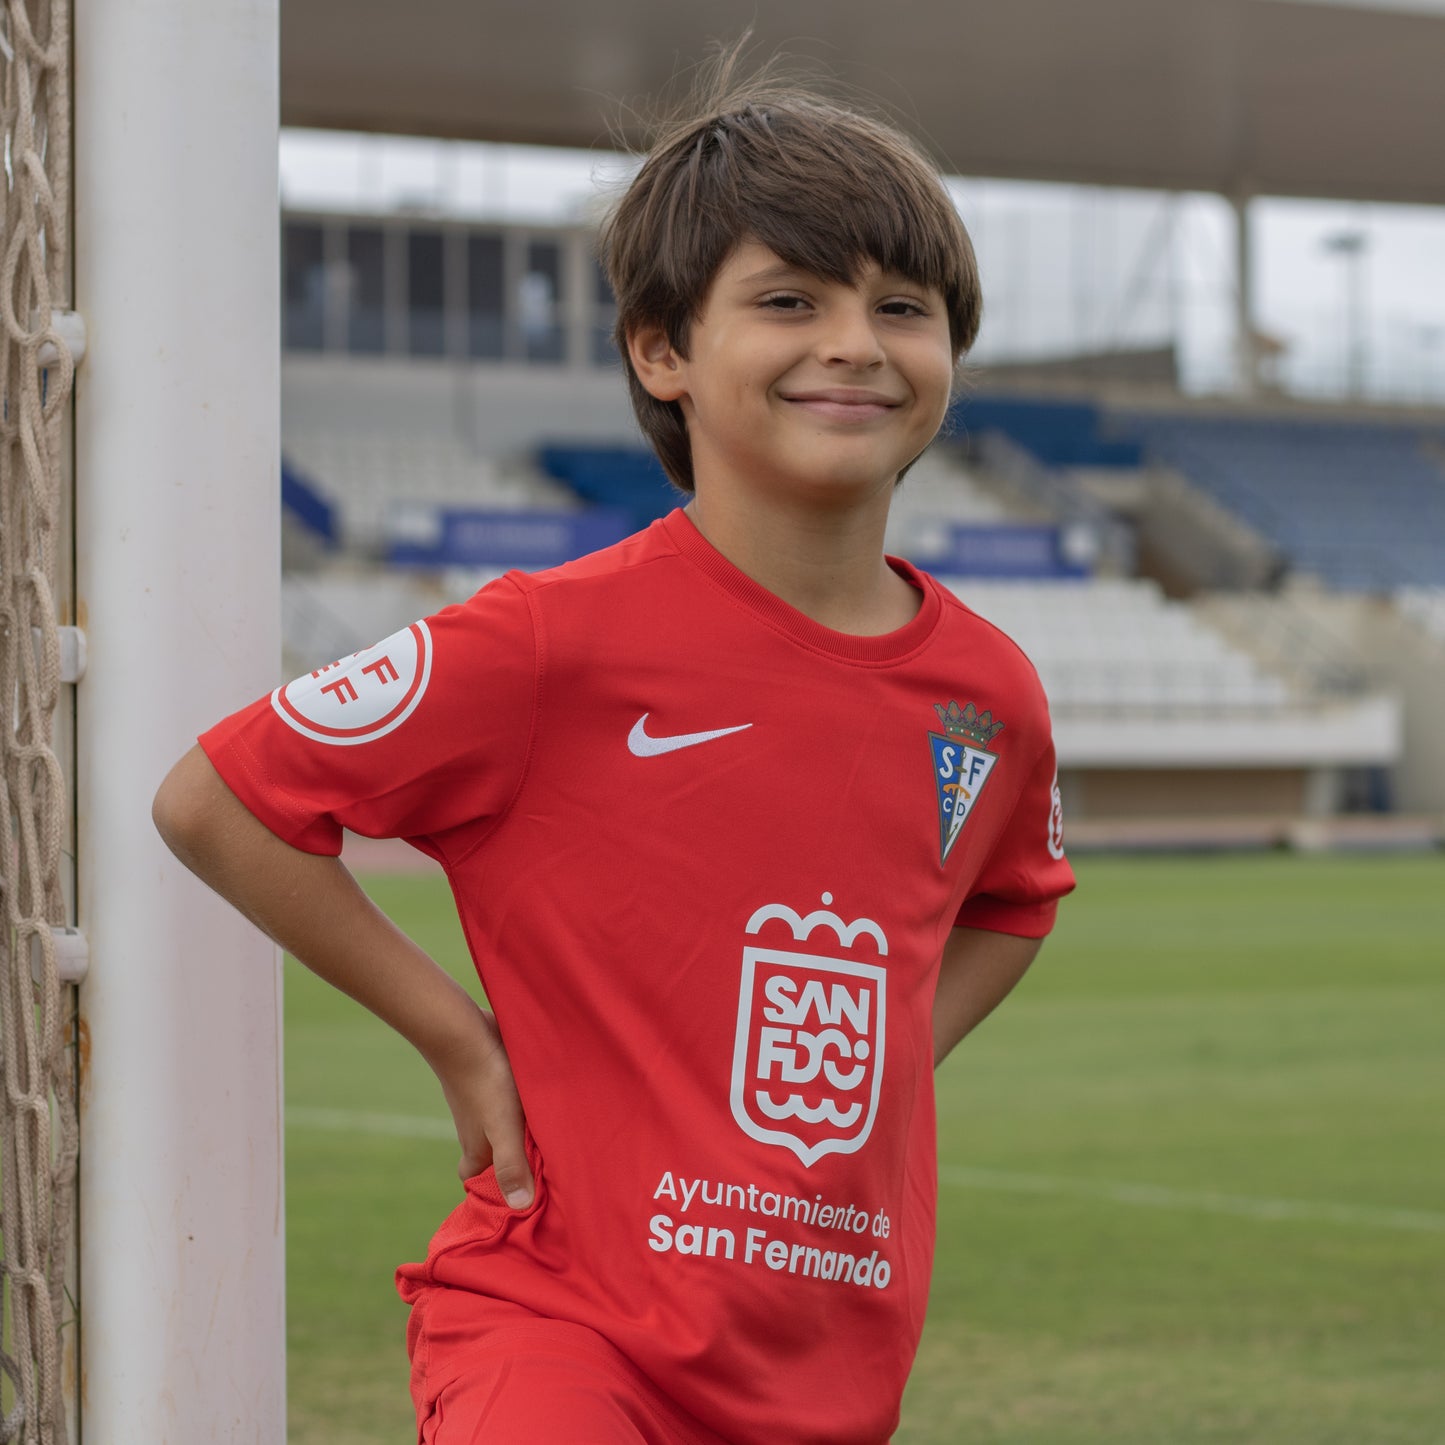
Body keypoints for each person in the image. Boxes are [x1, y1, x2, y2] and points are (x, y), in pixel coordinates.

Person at [153, 56, 1075, 1445]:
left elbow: (1011, 899)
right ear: (661, 351)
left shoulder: (986, 693)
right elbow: (220, 797)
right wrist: (458, 1040)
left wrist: (890, 1054)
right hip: (554, 1325)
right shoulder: (548, 643)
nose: (855, 341)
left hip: (821, 1356)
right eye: (788, 300)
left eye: (903, 307)